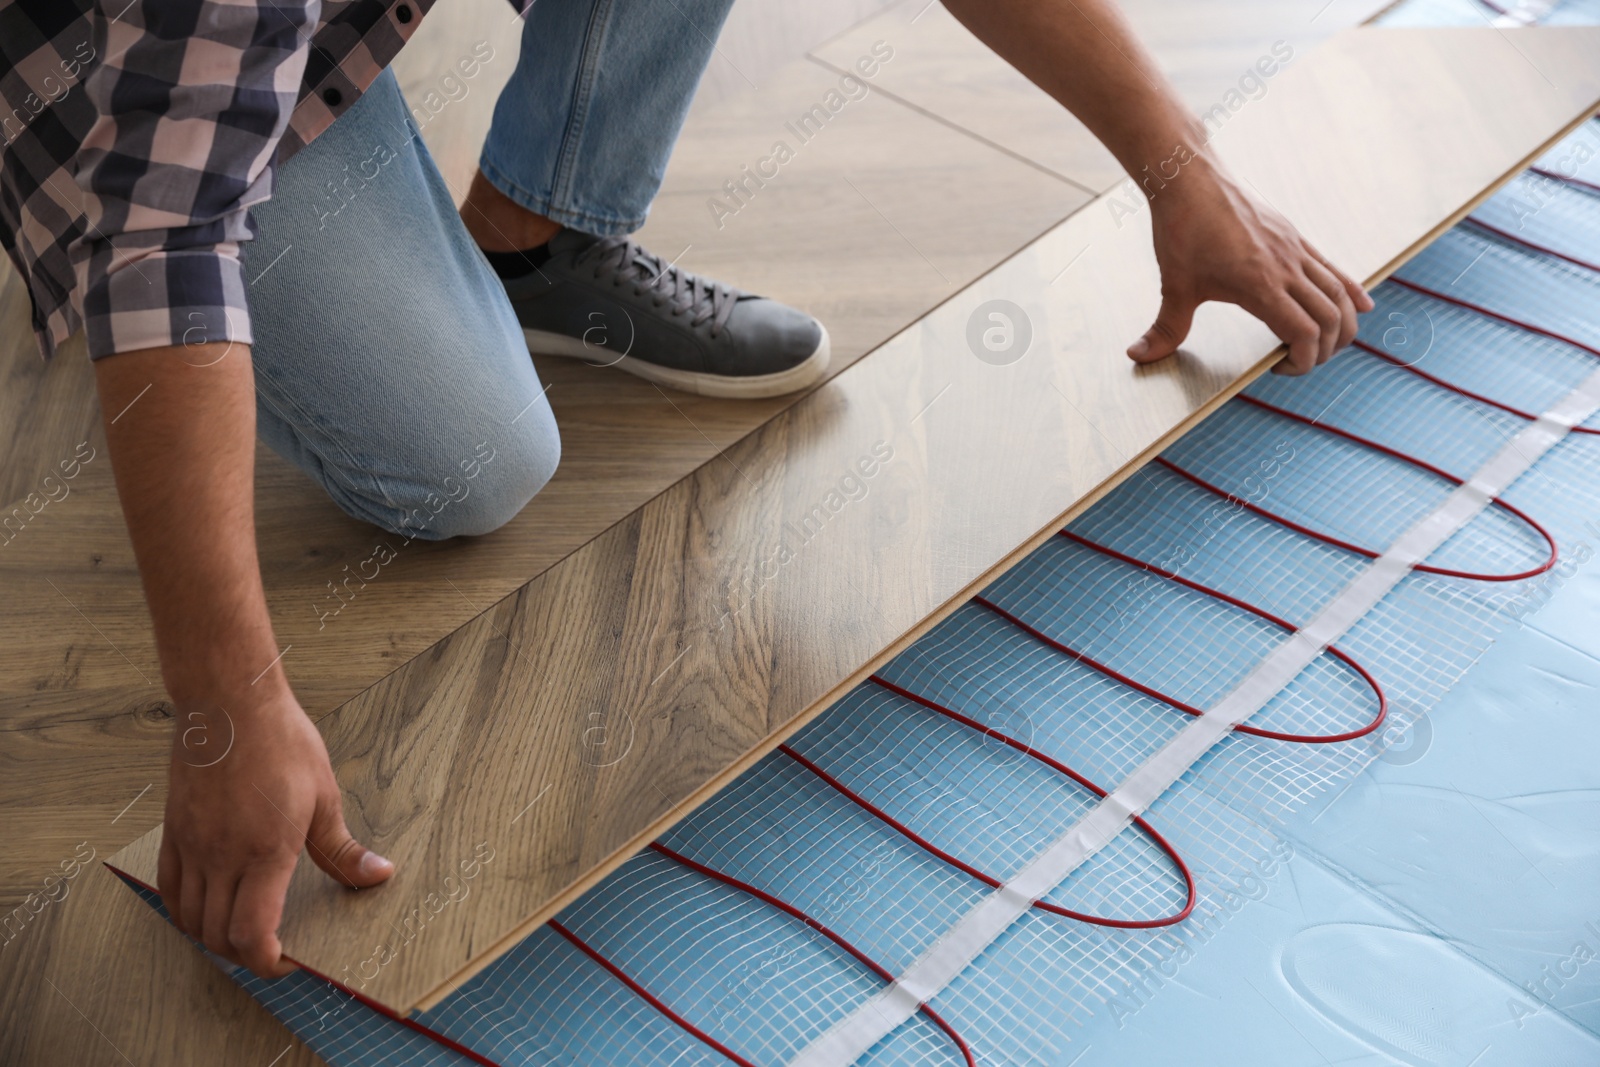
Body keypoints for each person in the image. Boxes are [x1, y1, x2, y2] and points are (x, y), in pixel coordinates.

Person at [0, 0, 1372, 979]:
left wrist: (1183, 174)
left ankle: (542, 237)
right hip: (110, 83)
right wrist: (224, 704)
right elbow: (164, 246)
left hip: (287, 45)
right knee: (469, 466)